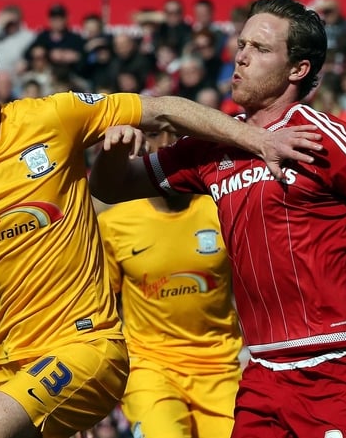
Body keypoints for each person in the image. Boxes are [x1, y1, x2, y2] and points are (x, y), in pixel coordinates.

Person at [0, 26, 319, 438]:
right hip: (9, 359)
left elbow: (161, 108)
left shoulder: (53, 118)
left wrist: (257, 141)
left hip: (87, 344)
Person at [89, 0, 346, 438]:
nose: (241, 57)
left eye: (260, 48)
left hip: (339, 366)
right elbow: (110, 187)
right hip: (264, 374)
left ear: (298, 69)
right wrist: (112, 151)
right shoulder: (213, 146)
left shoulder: (321, 137)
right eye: (241, 44)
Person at [96, 130, 241, 438]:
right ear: (140, 145)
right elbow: (102, 310)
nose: (165, 144)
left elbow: (251, 291)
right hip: (150, 365)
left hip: (220, 366)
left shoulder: (222, 210)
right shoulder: (114, 224)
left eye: (176, 134)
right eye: (154, 135)